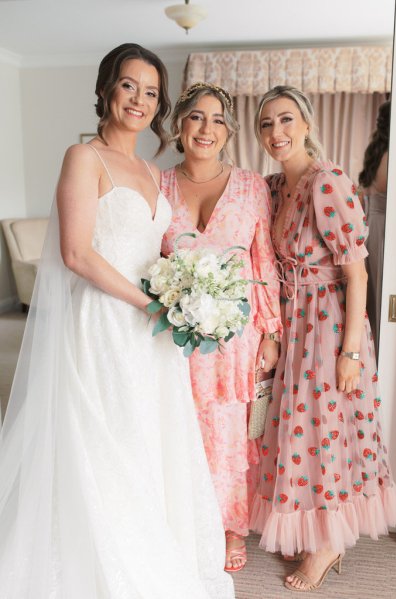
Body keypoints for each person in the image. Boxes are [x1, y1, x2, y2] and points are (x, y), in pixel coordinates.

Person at [0, 44, 234, 599]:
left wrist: (189, 291)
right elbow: (77, 254)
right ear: (106, 89)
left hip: (149, 332)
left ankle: (156, 542)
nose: (139, 100)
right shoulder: (84, 158)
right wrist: (151, 303)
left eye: (151, 92)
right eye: (129, 86)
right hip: (106, 321)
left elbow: (154, 251)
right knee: (106, 440)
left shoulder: (154, 171)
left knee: (148, 439)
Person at [249, 86, 396, 592]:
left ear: (308, 124)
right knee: (300, 435)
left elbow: (357, 274)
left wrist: (352, 351)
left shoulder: (326, 181)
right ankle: (315, 528)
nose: (277, 132)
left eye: (287, 120)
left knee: (329, 432)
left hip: (329, 324)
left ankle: (330, 543)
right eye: (267, 123)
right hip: (292, 323)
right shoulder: (273, 187)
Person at [161, 82, 282, 572]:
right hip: (176, 335)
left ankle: (232, 527)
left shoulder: (252, 185)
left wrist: (272, 331)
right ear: (179, 126)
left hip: (237, 335)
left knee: (233, 434)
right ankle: (188, 520)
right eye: (195, 117)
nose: (205, 129)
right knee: (183, 430)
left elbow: (264, 259)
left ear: (229, 131)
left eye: (216, 120)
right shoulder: (159, 184)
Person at [358, 100, 391, 357]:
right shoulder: (391, 156)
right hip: (382, 229)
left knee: (374, 295)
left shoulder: (375, 151)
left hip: (371, 225)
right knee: (380, 294)